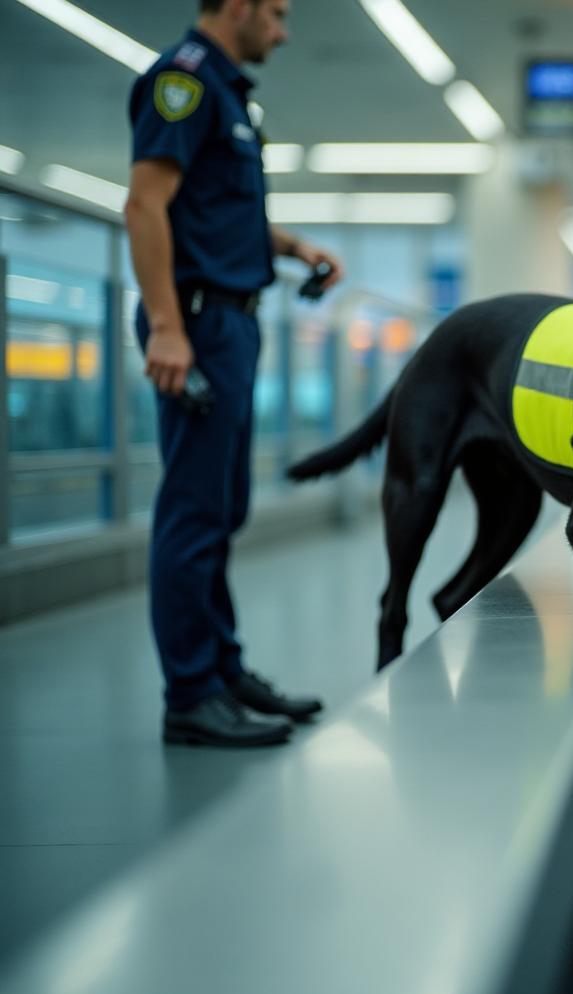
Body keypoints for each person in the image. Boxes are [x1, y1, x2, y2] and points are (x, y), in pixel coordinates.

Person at [124, 0, 343, 747]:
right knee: (192, 514)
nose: (282, 32)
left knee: (222, 509)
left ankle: (221, 671)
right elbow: (145, 206)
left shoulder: (225, 95)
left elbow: (214, 208)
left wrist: (291, 246)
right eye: (277, 14)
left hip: (229, 320)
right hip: (195, 323)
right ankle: (190, 694)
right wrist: (165, 326)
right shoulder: (179, 84)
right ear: (240, 6)